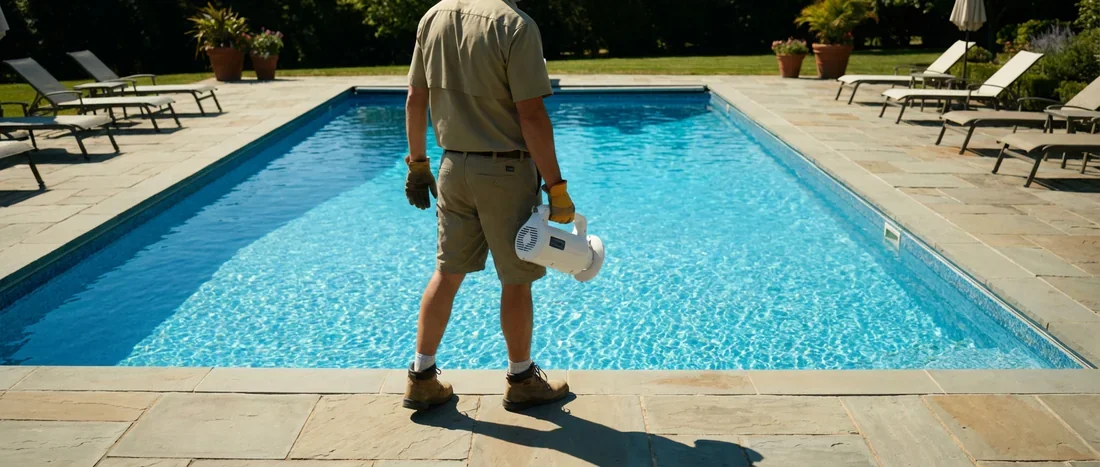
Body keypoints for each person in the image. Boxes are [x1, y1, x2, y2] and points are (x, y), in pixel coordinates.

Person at [402, 0, 575, 412]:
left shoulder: (434, 16)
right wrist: (556, 186)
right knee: (516, 278)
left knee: (447, 272)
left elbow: (415, 98)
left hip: (451, 168)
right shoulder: (515, 25)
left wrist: (418, 165)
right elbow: (531, 115)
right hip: (504, 172)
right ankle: (521, 379)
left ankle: (421, 377)